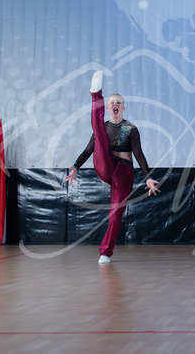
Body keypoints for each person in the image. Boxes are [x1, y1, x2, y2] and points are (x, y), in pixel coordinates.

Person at [64, 71, 160, 264]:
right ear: (107, 107)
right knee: (99, 133)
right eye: (112, 102)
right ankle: (96, 95)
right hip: (105, 164)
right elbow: (88, 150)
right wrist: (75, 167)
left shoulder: (131, 129)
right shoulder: (103, 128)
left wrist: (148, 176)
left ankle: (105, 252)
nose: (115, 104)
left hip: (123, 171)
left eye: (119, 102)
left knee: (115, 214)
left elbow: (139, 154)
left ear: (123, 107)